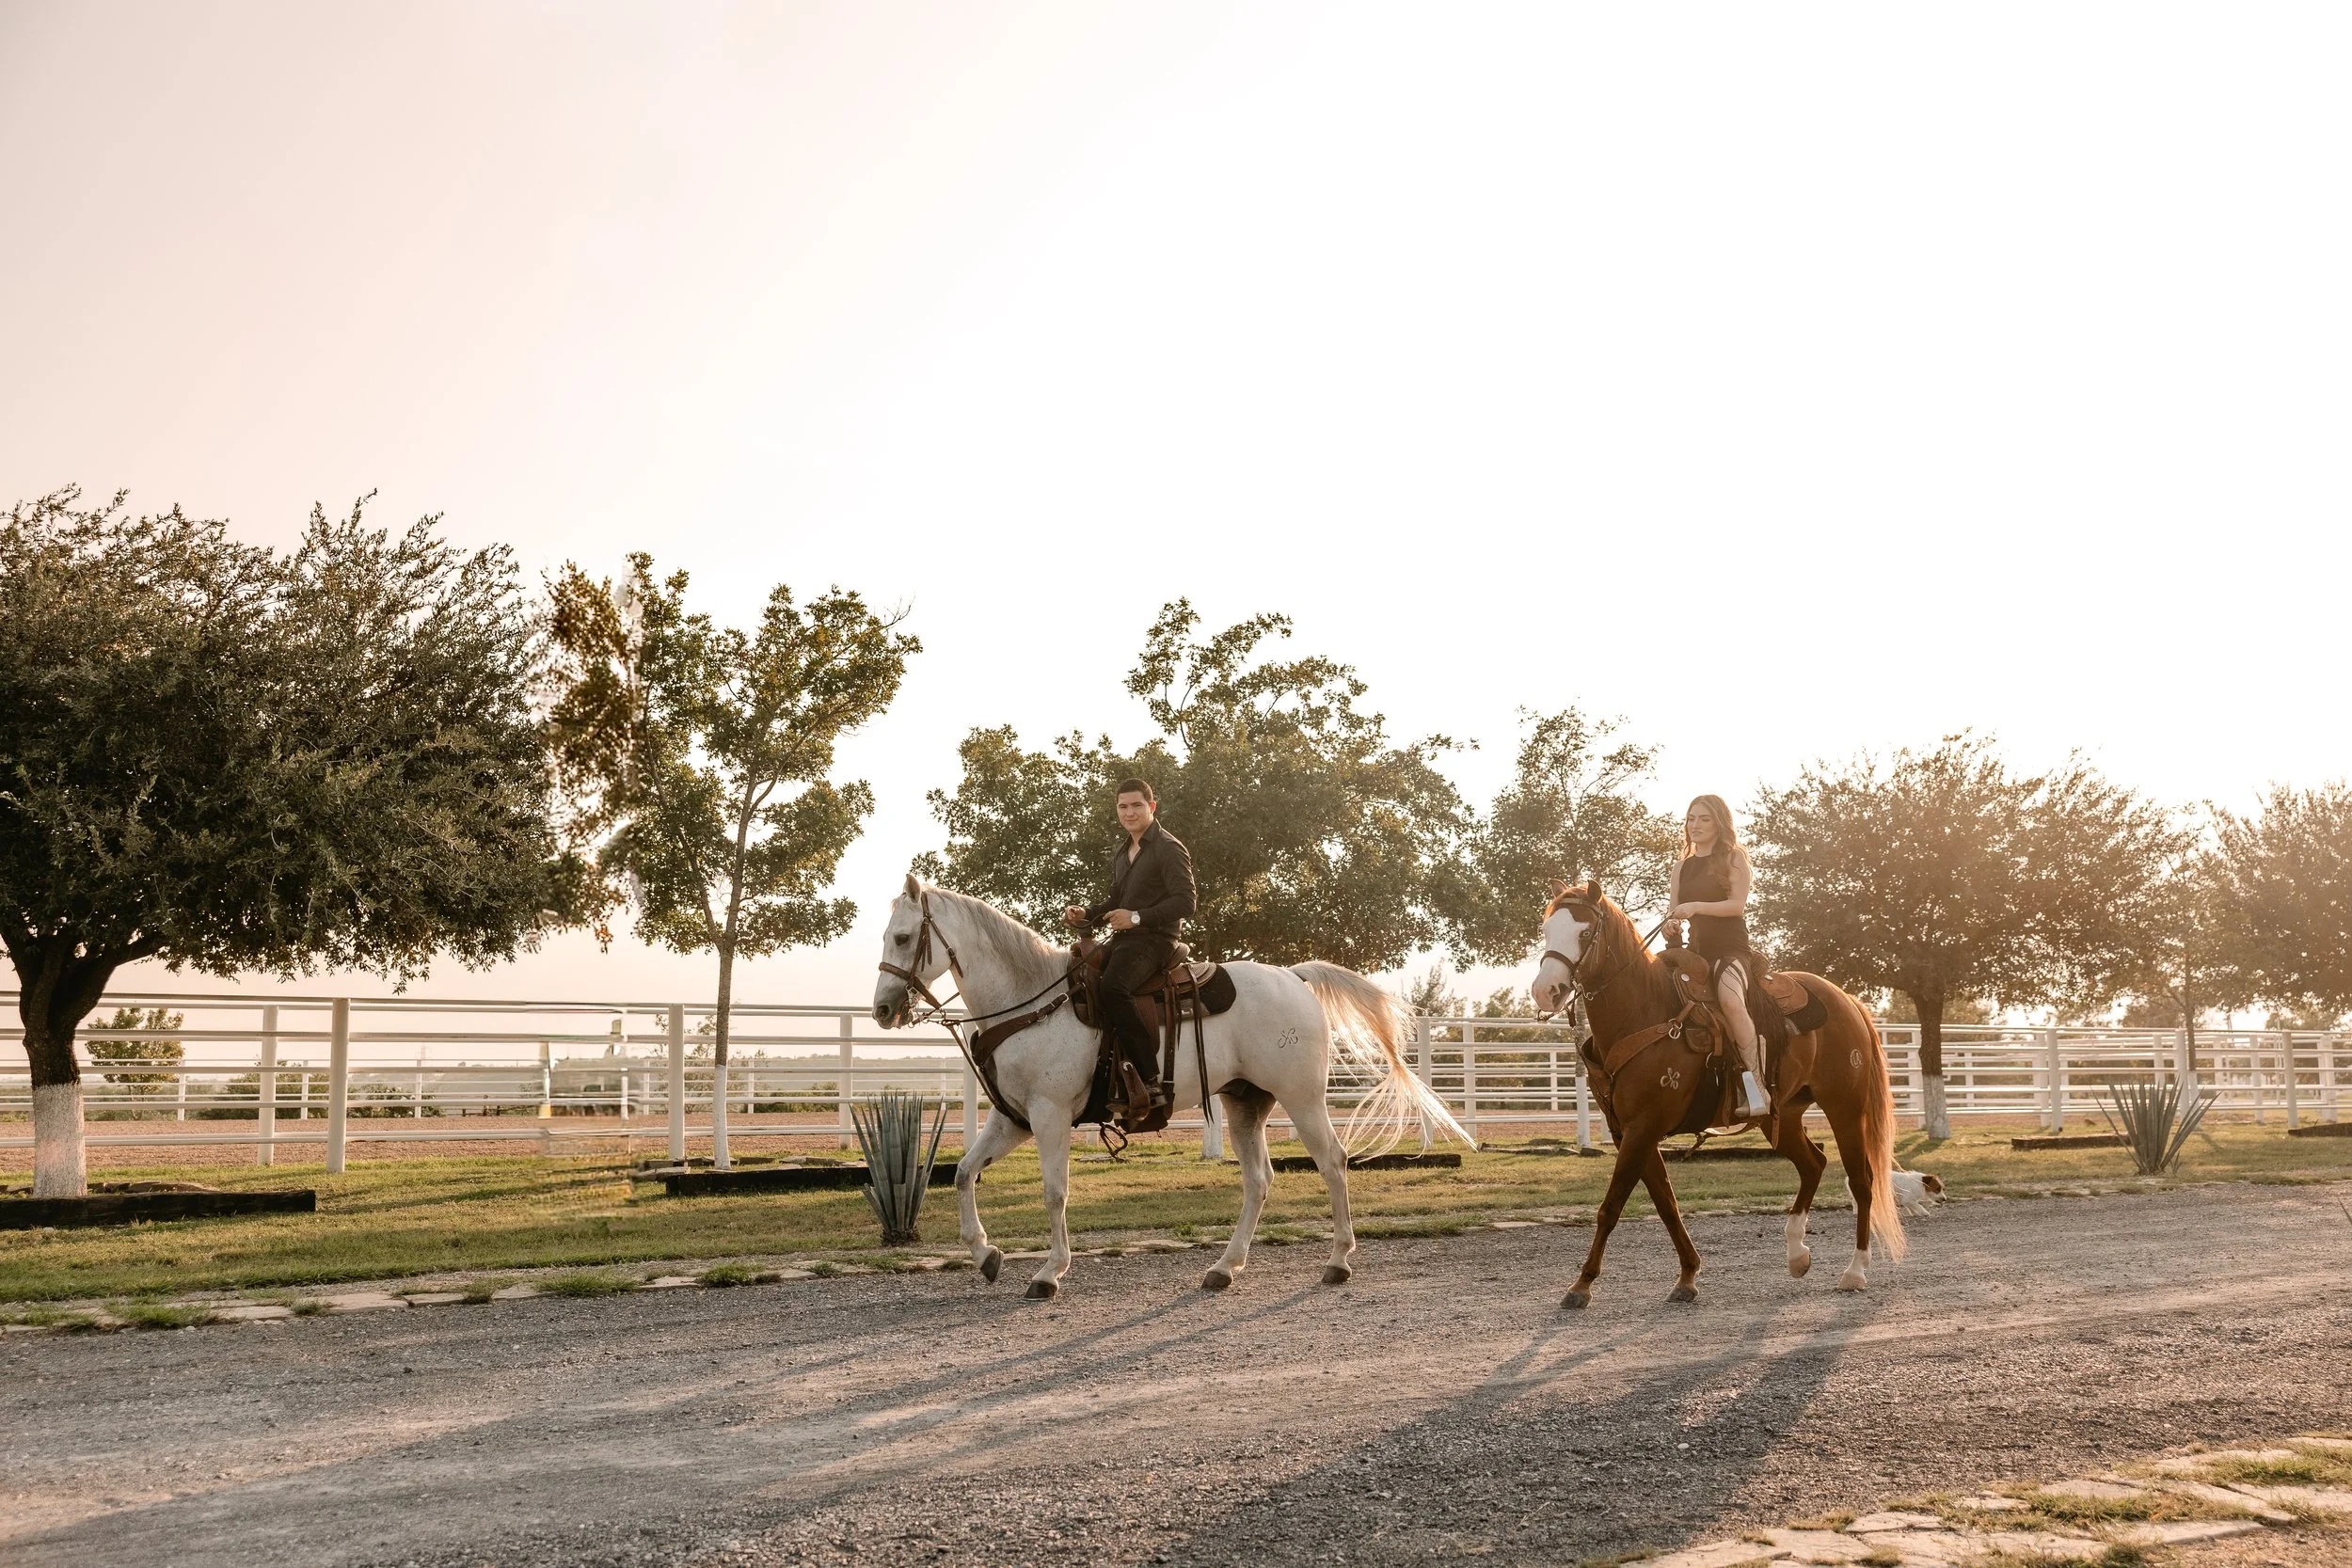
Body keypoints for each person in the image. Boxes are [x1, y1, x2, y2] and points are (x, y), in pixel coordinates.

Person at [1063, 778, 1198, 1114]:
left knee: (1113, 987)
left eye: (1137, 805)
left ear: (1152, 807)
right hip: (1127, 940)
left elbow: (1186, 901)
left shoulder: (1168, 847)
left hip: (1157, 939)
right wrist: (1087, 914)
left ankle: (1149, 1080)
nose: (1129, 812)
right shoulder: (1123, 851)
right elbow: (1116, 901)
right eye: (1123, 806)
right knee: (1080, 977)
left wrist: (1137, 918)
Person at [1662, 794, 1771, 1129]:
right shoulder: (1681, 866)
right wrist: (1671, 924)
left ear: (1719, 823)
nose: (1695, 825)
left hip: (1731, 950)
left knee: (1730, 1000)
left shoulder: (1733, 858)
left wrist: (1694, 907)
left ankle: (1757, 1086)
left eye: (1704, 819)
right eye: (1691, 818)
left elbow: (1736, 906)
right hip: (1694, 952)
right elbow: (1674, 910)